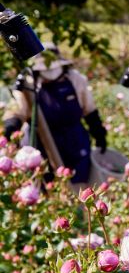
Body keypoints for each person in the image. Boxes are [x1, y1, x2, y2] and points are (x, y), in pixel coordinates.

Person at [3, 44, 107, 184]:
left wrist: (98, 132)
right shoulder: (29, 83)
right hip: (42, 143)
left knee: (76, 181)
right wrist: (10, 129)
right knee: (43, 182)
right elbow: (17, 110)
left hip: (73, 140)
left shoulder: (75, 79)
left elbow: (89, 110)